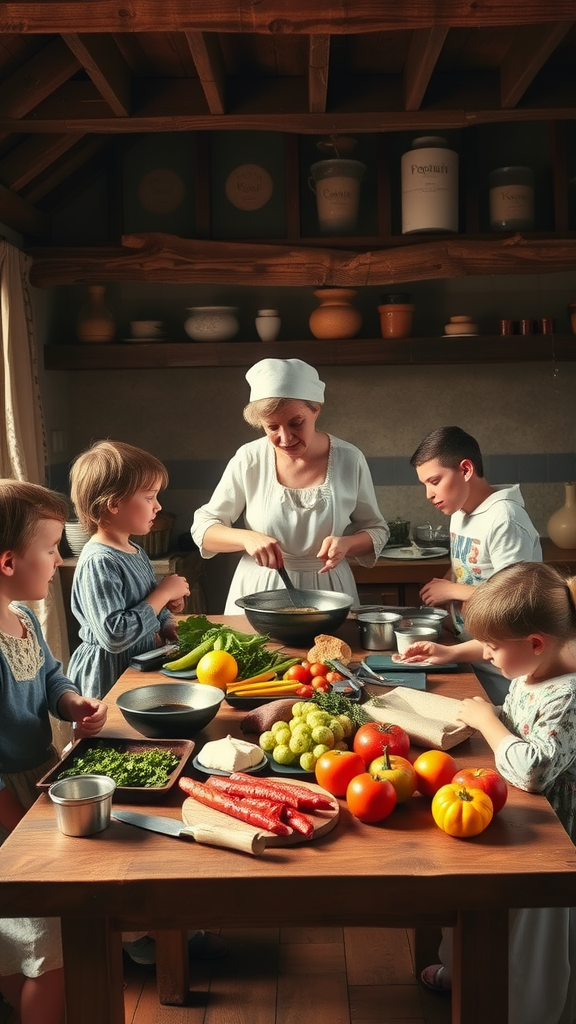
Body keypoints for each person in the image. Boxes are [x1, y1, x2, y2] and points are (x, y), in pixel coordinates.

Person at [421, 561, 576, 1024]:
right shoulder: (533, 667)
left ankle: (523, 1009)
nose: (486, 654)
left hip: (556, 839)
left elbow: (533, 771)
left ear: (534, 644)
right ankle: (467, 972)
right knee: (483, 901)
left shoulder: (567, 696)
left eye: (492, 647)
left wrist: (488, 720)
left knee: (532, 935)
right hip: (523, 816)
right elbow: (517, 726)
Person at [0, 479, 108, 1024]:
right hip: (6, 803)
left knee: (29, 942)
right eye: (50, 549)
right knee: (49, 949)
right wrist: (16, 824)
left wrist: (73, 702)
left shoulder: (23, 620)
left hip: (39, 777)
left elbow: (48, 679)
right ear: (7, 561)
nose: (60, 560)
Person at [192, 357, 389, 613]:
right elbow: (204, 528)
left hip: (329, 593)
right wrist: (246, 538)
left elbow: (377, 530)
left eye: (296, 423)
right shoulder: (249, 459)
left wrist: (346, 545)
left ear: (316, 408)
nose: (285, 438)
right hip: (260, 593)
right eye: (272, 427)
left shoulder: (349, 459)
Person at [406, 425, 541, 702]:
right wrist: (443, 593)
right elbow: (465, 568)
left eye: (434, 481)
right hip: (467, 648)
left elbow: (516, 599)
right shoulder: (460, 512)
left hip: (502, 665)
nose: (428, 494)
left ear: (466, 470)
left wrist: (451, 591)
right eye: (425, 485)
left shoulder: (505, 518)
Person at [67, 440, 190, 700]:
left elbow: (147, 605)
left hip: (138, 666)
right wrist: (162, 593)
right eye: (148, 497)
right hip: (109, 676)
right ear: (113, 504)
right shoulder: (99, 561)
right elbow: (115, 635)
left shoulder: (134, 550)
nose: (157, 506)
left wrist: (167, 622)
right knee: (112, 738)